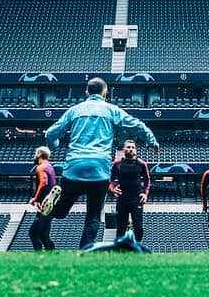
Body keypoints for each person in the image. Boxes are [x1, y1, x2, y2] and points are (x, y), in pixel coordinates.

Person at [44, 77, 159, 251]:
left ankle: (51, 210)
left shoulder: (75, 110)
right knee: (93, 217)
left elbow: (51, 133)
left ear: (86, 93)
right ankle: (84, 251)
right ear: (105, 93)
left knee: (61, 210)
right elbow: (136, 125)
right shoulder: (112, 110)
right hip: (99, 169)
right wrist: (151, 141)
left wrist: (54, 145)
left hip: (74, 166)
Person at [109, 139, 151, 246]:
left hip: (136, 200)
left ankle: (138, 248)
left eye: (132, 147)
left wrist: (145, 194)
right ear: (123, 149)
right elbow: (110, 179)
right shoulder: (117, 164)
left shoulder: (141, 163)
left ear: (135, 150)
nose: (130, 149)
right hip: (122, 200)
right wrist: (112, 188)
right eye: (128, 147)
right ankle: (119, 252)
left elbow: (147, 180)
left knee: (138, 227)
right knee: (121, 228)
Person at [28, 146, 57, 251]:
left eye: (36, 153)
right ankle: (40, 255)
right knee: (34, 232)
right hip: (49, 203)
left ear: (40, 154)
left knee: (42, 234)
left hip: (44, 205)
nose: (35, 156)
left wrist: (35, 199)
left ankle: (51, 255)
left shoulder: (41, 167)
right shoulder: (50, 166)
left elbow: (44, 182)